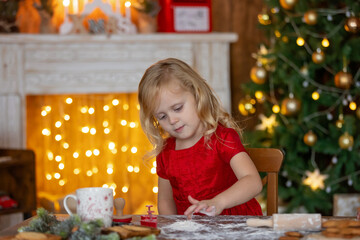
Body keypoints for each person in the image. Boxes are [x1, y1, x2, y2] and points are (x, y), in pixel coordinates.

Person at [138, 58, 263, 218]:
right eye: (162, 116)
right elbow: (165, 202)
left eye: (177, 108)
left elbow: (253, 181)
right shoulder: (166, 152)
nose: (172, 120)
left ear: (197, 95)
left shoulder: (222, 138)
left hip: (234, 225)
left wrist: (218, 202)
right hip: (192, 230)